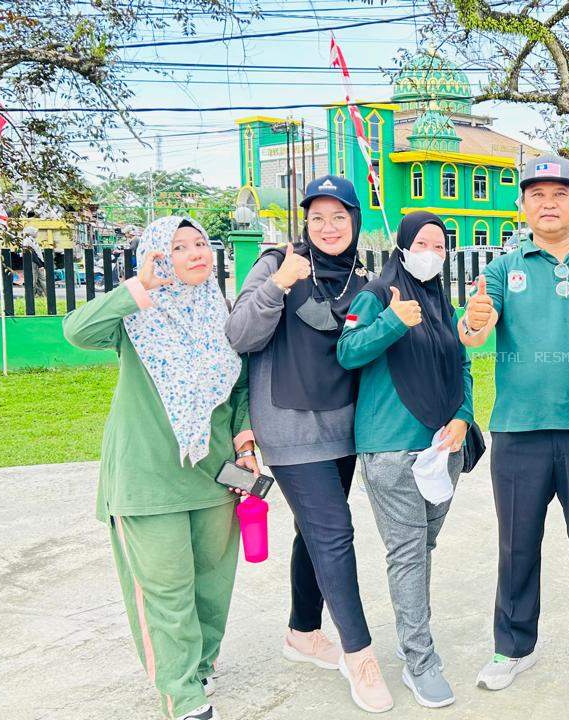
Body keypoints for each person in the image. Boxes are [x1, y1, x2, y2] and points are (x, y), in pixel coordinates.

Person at [458, 154, 569, 692]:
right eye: (537, 194)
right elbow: (475, 328)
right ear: (523, 205)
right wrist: (474, 321)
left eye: (560, 194)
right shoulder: (501, 268)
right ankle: (512, 647)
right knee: (517, 545)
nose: (549, 203)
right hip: (518, 430)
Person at [63, 216, 255, 720]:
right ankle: (181, 694)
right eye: (178, 247)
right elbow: (76, 330)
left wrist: (245, 443)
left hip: (214, 475)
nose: (195, 253)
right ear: (157, 256)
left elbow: (241, 386)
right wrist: (137, 288)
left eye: (200, 243)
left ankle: (200, 665)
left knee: (212, 586)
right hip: (146, 479)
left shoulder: (220, 313)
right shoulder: (135, 318)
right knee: (165, 592)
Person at [224, 175, 391, 713]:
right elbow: (239, 335)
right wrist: (278, 284)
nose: (328, 227)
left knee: (313, 531)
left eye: (339, 217)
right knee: (335, 534)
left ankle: (302, 632)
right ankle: (359, 654)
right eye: (317, 217)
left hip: (344, 425)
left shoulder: (364, 280)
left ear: (355, 222)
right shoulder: (276, 263)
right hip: (289, 427)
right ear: (305, 222)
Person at [336, 211, 475, 708]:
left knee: (423, 544)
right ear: (402, 247)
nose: (431, 254)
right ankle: (420, 659)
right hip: (391, 447)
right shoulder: (376, 295)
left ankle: (409, 632)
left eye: (440, 246)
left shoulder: (442, 303)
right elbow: (348, 352)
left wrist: (463, 416)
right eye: (422, 244)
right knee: (409, 551)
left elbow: (462, 364)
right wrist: (393, 322)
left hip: (442, 447)